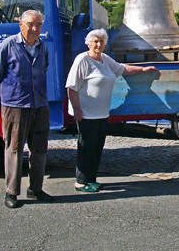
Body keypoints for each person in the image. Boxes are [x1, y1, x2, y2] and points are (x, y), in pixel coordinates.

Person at [66, 28, 158, 193]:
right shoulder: (82, 60)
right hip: (86, 113)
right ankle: (80, 182)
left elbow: (122, 69)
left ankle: (91, 179)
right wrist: (77, 109)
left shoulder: (104, 59)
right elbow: (71, 88)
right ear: (89, 43)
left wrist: (143, 69)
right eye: (95, 41)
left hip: (101, 113)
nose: (98, 44)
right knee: (86, 147)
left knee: (96, 148)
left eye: (101, 41)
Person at [0, 9, 54, 209]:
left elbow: (44, 69)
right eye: (31, 24)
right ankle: (11, 192)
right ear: (21, 24)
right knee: (14, 149)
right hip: (15, 106)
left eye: (39, 25)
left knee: (40, 149)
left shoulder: (42, 46)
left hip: (39, 105)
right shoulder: (8, 45)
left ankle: (36, 189)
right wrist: (7, 99)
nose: (35, 29)